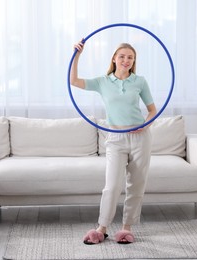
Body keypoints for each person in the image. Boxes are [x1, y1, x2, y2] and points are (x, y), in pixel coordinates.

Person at [70, 40, 157, 244]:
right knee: (111, 186)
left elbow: (152, 110)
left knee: (136, 185)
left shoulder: (140, 81)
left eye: (130, 57)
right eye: (122, 56)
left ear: (133, 61)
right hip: (115, 138)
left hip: (139, 137)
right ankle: (102, 228)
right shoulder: (103, 82)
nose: (126, 60)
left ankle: (127, 229)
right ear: (114, 59)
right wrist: (77, 55)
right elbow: (74, 81)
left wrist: (145, 125)